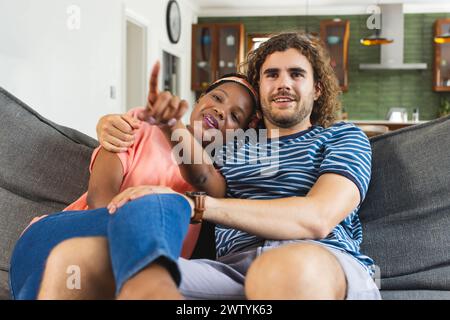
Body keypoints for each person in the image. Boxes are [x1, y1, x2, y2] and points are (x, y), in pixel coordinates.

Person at [28, 32, 381, 300]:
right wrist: (164, 125)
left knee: (279, 269)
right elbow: (199, 173)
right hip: (230, 270)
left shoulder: (342, 137)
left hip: (322, 260)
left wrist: (199, 206)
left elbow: (316, 218)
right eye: (271, 74)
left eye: (296, 74)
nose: (283, 83)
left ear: (317, 89)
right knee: (76, 260)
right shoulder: (230, 147)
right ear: (260, 89)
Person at [8, 64, 259, 300]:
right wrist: (170, 125)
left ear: (239, 135)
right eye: (217, 98)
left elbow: (203, 177)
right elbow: (100, 200)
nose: (221, 111)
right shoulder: (137, 127)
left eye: (235, 116)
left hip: (97, 275)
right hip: (51, 240)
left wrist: (173, 128)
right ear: (199, 99)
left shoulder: (213, 179)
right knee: (160, 203)